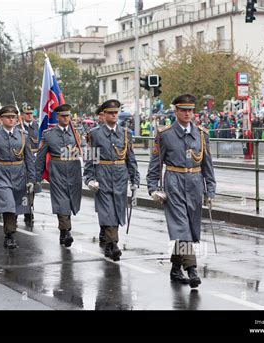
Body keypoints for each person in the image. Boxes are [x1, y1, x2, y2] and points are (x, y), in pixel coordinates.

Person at [146, 93, 216, 289]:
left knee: (192, 229)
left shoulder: (202, 134)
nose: (187, 113)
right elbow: (155, 165)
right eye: (183, 110)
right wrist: (152, 188)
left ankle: (176, 268)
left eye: (190, 110)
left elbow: (207, 166)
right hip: (174, 183)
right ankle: (191, 268)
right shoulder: (165, 134)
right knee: (181, 227)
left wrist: (210, 190)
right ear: (176, 111)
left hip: (194, 183)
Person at [84, 99, 140, 261]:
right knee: (107, 210)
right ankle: (114, 243)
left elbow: (131, 159)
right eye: (110, 113)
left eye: (116, 112)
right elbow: (91, 159)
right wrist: (89, 178)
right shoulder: (95, 134)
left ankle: (109, 243)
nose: (114, 115)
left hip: (120, 176)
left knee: (117, 210)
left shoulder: (125, 134)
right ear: (104, 114)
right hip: (103, 175)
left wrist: (134, 180)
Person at [0, 105, 36, 249]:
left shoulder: (23, 135)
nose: (11, 119)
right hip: (2, 173)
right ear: (1, 119)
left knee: (17, 205)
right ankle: (10, 235)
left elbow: (29, 158)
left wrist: (32, 179)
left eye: (13, 117)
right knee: (8, 204)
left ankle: (11, 228)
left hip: (19, 173)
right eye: (8, 117)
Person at [35, 104, 83, 247]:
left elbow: (86, 151)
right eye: (63, 116)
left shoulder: (76, 133)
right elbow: (40, 157)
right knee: (61, 201)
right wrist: (36, 178)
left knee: (71, 200)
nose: (66, 118)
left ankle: (63, 229)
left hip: (74, 170)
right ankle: (67, 231)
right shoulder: (48, 134)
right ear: (57, 117)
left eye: (68, 116)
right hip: (57, 170)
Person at [19, 104, 39, 226]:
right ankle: (23, 209)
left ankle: (29, 210)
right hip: (22, 162)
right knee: (21, 187)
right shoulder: (18, 128)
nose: (29, 115)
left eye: (31, 113)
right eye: (27, 113)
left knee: (32, 186)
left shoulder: (37, 127)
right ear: (22, 115)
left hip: (34, 161)